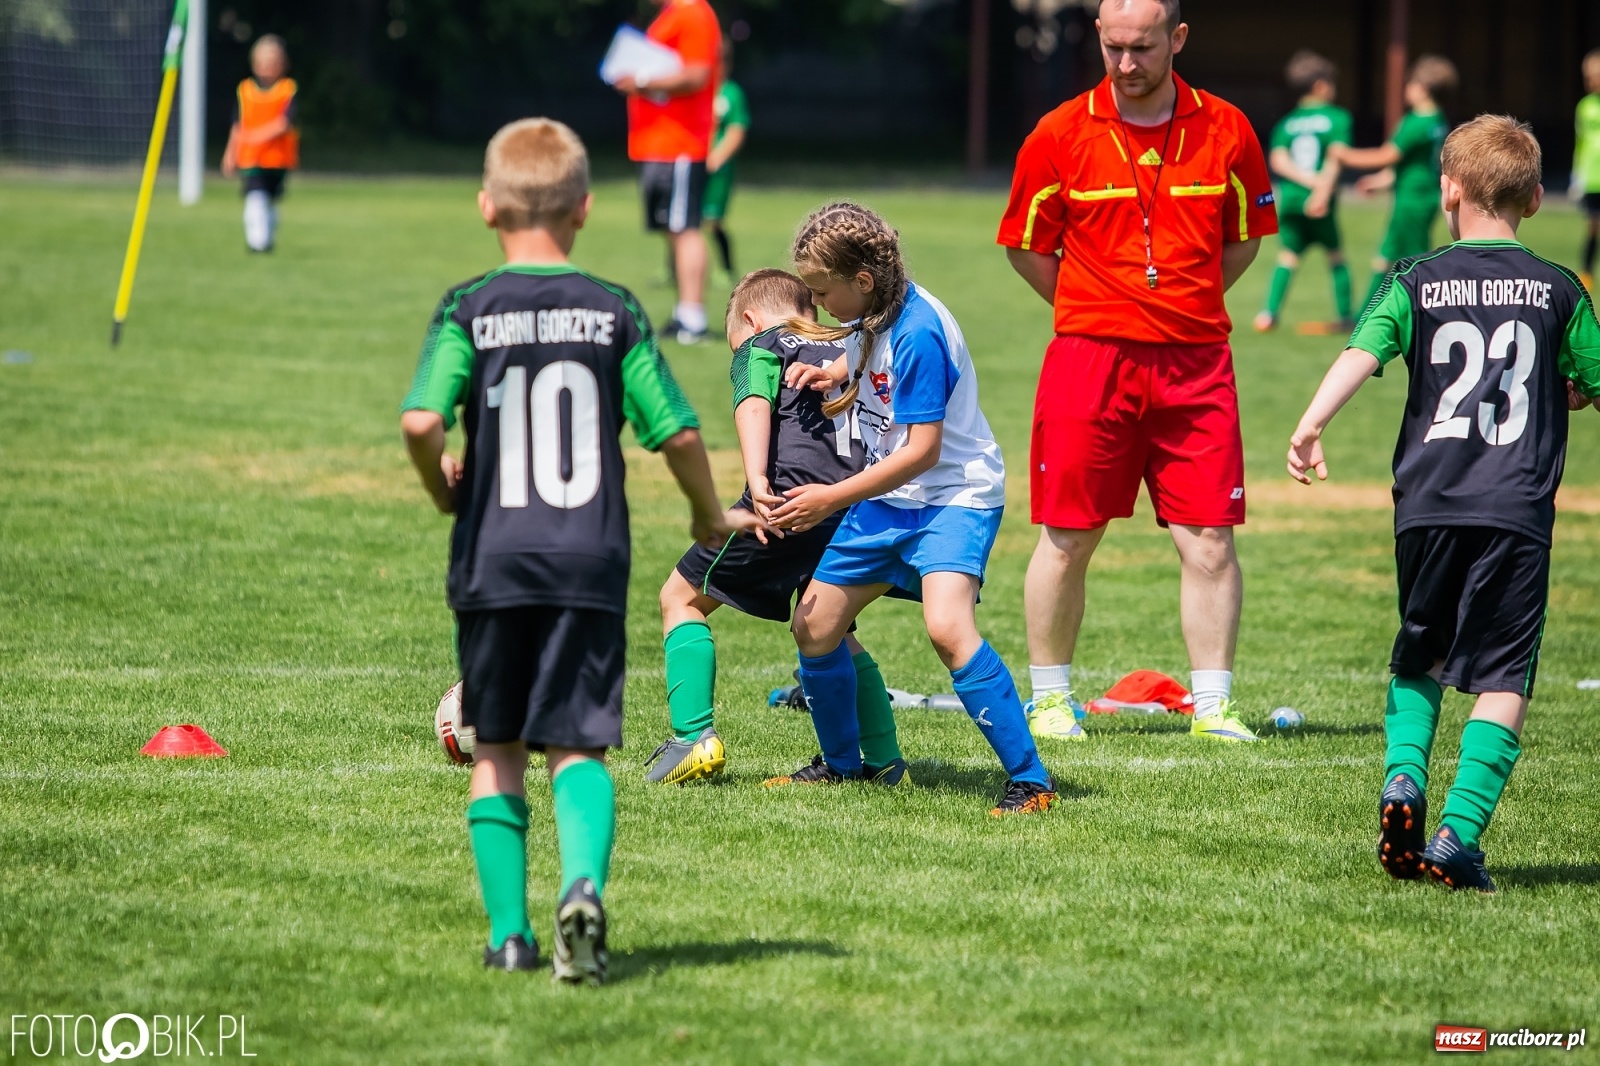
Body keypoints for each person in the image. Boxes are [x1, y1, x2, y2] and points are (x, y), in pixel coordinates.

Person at [399, 118, 751, 981]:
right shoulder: (613, 310)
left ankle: (509, 937)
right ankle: (582, 887)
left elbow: (419, 420)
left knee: (498, 748)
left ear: (486, 206)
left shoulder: (466, 308)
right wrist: (709, 515)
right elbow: (674, 431)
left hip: (491, 558)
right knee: (580, 749)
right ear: (586, 210)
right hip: (588, 560)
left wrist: (442, 484)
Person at [1287, 115, 1600, 893]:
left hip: (1425, 504)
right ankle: (1457, 834)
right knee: (1502, 675)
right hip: (1514, 510)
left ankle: (1403, 782)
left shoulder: (1412, 278)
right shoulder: (1561, 288)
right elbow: (1593, 378)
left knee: (1419, 649)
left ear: (1449, 190)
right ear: (1533, 198)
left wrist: (1311, 424)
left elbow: (1361, 352)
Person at [996, 0, 1277, 744]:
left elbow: (1244, 238)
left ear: (1177, 39)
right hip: (1090, 362)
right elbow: (1027, 246)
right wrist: (1095, 306)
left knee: (1210, 539)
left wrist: (1183, 305)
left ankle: (1213, 706)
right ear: (1097, 36)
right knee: (1068, 534)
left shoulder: (1228, 128)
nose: (1127, 64)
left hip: (1196, 364)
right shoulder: (1057, 134)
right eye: (1114, 47)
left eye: (1144, 48)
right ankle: (1050, 701)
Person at [766, 202, 1057, 816]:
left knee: (949, 631)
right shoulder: (876, 309)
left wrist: (829, 500)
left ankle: (1031, 782)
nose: (819, 306)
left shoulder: (920, 329)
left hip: (951, 498)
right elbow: (871, 354)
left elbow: (923, 452)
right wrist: (837, 372)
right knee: (816, 626)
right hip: (888, 498)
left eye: (823, 291)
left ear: (862, 280)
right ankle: (844, 768)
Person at [651, 269, 907, 786]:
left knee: (680, 598)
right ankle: (883, 760)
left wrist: (757, 481)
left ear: (749, 319)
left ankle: (692, 738)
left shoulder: (763, 343)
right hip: (849, 503)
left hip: (787, 500)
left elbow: (753, 405)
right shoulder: (846, 343)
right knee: (832, 631)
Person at [612, 0, 722, 345]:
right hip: (659, 143)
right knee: (672, 228)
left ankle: (693, 316)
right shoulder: (672, 14)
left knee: (684, 227)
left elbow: (696, 73)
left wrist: (641, 79)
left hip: (681, 142)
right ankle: (683, 312)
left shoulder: (694, 13)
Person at [1334, 55, 1458, 310]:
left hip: (1412, 201)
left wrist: (1344, 154)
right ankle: (1365, 315)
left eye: (1410, 84)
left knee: (1417, 262)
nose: (1407, 89)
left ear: (1422, 88)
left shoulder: (1416, 122)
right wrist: (1380, 182)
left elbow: (1387, 155)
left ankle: (1425, 311)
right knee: (1387, 257)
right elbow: (1411, 165)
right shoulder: (1437, 120)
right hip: (1418, 196)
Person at [1254, 50, 1354, 335]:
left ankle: (1267, 314)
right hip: (1319, 201)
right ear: (1322, 86)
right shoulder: (1337, 118)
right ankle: (1345, 315)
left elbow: (1278, 160)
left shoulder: (1287, 123)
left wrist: (1305, 182)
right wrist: (1320, 190)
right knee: (1336, 256)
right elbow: (1336, 157)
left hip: (1293, 201)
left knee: (1287, 256)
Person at [221, 35, 298, 254]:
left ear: (283, 64)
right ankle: (257, 242)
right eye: (263, 61)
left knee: (270, 200)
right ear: (254, 63)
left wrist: (258, 136)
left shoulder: (287, 89)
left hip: (276, 160)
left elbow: (285, 122)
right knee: (254, 197)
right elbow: (237, 125)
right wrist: (230, 153)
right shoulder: (245, 91)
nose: (268, 67)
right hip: (251, 159)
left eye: (273, 62)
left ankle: (267, 235)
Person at [703, 41, 749, 283]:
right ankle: (673, 270)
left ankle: (726, 268)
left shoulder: (731, 93)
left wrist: (717, 156)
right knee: (681, 221)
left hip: (718, 170)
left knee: (712, 221)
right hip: (692, 164)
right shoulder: (700, 91)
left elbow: (736, 129)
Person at [1571, 49, 1600, 290]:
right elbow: (1580, 143)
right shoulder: (1585, 106)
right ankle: (1587, 271)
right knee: (1593, 225)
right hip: (1593, 177)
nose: (1591, 81)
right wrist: (1576, 176)